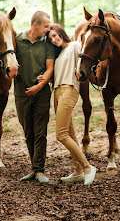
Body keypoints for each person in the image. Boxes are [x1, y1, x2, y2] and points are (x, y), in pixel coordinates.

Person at [0, 11, 55, 183]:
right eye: (46, 26)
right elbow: (6, 61)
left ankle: (39, 170)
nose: (48, 29)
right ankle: (34, 169)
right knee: (29, 132)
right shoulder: (17, 40)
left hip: (41, 93)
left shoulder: (47, 43)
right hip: (21, 94)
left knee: (40, 131)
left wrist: (39, 86)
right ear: (35, 25)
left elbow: (50, 68)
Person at [42, 23, 96, 185]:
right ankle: (77, 171)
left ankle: (87, 167)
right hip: (57, 92)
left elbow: (85, 57)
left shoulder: (74, 46)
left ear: (61, 32)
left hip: (69, 89)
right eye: (50, 38)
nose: (53, 39)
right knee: (70, 133)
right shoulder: (59, 55)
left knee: (61, 135)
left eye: (55, 35)